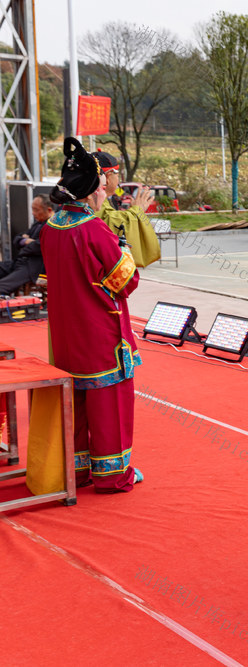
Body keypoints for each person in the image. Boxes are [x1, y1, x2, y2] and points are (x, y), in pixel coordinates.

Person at [43, 137, 142, 493]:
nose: (104, 193)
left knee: (79, 404)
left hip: (67, 335)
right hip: (100, 332)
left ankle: (79, 470)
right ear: (89, 193)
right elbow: (125, 281)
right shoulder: (92, 228)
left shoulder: (50, 228)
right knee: (109, 406)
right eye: (101, 187)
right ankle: (112, 474)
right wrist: (124, 249)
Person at [92, 151, 160, 266]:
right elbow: (109, 222)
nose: (118, 180)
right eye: (117, 175)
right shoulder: (92, 200)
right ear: (107, 176)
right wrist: (136, 211)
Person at [0, 196, 49, 296]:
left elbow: (39, 246)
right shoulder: (37, 224)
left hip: (33, 267)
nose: (33, 213)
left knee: (2, 286)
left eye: (36, 210)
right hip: (20, 261)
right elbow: (17, 238)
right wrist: (27, 241)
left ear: (48, 209)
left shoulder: (52, 226)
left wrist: (25, 241)